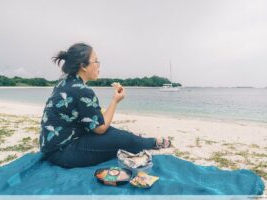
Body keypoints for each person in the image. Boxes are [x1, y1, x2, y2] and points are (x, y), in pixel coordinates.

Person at [39, 42, 171, 168]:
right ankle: (153, 142)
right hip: (63, 153)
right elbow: (100, 128)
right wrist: (115, 101)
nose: (99, 65)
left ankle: (137, 139)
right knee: (122, 139)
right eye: (96, 61)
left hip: (52, 147)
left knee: (115, 132)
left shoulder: (64, 83)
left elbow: (95, 121)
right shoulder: (81, 90)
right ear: (83, 66)